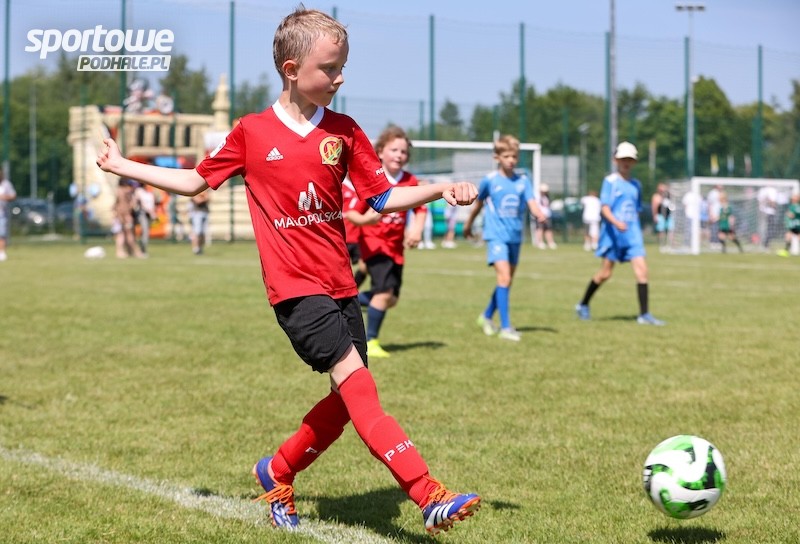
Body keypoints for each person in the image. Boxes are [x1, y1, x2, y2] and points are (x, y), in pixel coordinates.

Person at [96, 7, 480, 536]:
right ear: (292, 69)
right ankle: (428, 493)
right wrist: (122, 165)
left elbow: (382, 197)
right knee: (361, 391)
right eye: (330, 68)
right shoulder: (252, 132)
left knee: (344, 406)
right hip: (296, 292)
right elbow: (194, 182)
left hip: (341, 285)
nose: (340, 78)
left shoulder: (344, 131)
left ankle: (276, 471)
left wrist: (440, 189)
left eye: (343, 67)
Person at [345, 126, 427, 358]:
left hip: (395, 248)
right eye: (394, 150)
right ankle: (370, 341)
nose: (399, 155)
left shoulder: (410, 180)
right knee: (383, 293)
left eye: (403, 152)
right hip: (374, 246)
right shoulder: (373, 180)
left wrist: (416, 230)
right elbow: (353, 213)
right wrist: (367, 220)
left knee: (392, 298)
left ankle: (347, 302)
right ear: (380, 152)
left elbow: (421, 209)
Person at [463, 134, 547, 342]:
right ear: (497, 157)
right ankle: (506, 328)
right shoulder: (490, 181)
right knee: (504, 278)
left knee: (506, 281)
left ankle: (486, 316)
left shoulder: (523, 181)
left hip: (515, 237)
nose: (511, 160)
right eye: (507, 156)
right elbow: (478, 204)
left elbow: (531, 202)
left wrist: (538, 212)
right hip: (496, 236)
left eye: (514, 156)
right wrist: (468, 225)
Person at [574, 142, 665, 326]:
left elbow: (636, 209)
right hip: (613, 235)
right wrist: (616, 222)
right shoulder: (610, 182)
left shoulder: (636, 185)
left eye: (629, 159)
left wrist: (633, 227)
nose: (626, 162)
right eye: (623, 159)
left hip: (632, 235)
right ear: (616, 160)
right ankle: (583, 304)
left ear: (634, 162)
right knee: (605, 274)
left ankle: (644, 314)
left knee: (642, 272)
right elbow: (605, 208)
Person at [341, 178, 367, 287]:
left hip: (358, 237)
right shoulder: (340, 185)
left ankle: (354, 289)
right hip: (342, 236)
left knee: (364, 267)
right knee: (341, 270)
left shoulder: (363, 186)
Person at [112, 178, 143, 259]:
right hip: (124, 216)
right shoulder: (123, 192)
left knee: (122, 234)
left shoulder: (119, 191)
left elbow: (115, 205)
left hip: (120, 215)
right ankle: (135, 252)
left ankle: (126, 251)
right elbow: (122, 206)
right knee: (127, 235)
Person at [133, 182, 156, 257]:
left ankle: (142, 249)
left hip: (149, 214)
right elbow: (140, 203)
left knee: (146, 233)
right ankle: (141, 250)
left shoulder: (149, 192)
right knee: (144, 232)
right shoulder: (139, 191)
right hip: (142, 213)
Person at [650, 182, 674, 250]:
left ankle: (670, 245)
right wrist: (654, 215)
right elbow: (654, 207)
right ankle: (662, 244)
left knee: (670, 229)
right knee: (661, 230)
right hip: (660, 215)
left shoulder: (668, 196)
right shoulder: (656, 197)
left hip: (668, 215)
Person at [534, 183, 557, 249]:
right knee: (540, 229)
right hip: (540, 215)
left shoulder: (546, 197)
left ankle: (550, 242)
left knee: (548, 229)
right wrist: (541, 215)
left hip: (547, 215)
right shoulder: (537, 197)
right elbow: (536, 207)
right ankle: (540, 242)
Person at [777, 192, 800, 257]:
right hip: (796, 224)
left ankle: (786, 251)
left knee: (789, 235)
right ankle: (786, 251)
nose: (792, 198)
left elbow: (792, 215)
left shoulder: (794, 206)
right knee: (789, 235)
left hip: (796, 224)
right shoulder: (796, 206)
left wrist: (788, 214)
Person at [188, 188, 210, 255]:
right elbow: (198, 201)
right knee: (197, 232)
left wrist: (204, 197)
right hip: (196, 213)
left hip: (205, 212)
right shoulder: (194, 190)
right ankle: (196, 248)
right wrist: (204, 197)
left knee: (203, 233)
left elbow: (209, 198)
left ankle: (200, 248)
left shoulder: (204, 191)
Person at [0, 175, 17, 262]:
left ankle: (2, 252)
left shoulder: (6, 184)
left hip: (2, 213)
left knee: (1, 234)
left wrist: (3, 197)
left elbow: (13, 195)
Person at [756, 184, 779, 250]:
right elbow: (760, 202)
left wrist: (769, 201)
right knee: (764, 229)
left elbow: (773, 204)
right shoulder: (763, 190)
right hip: (764, 212)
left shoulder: (773, 190)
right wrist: (766, 200)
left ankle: (765, 244)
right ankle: (763, 244)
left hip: (769, 213)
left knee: (769, 229)